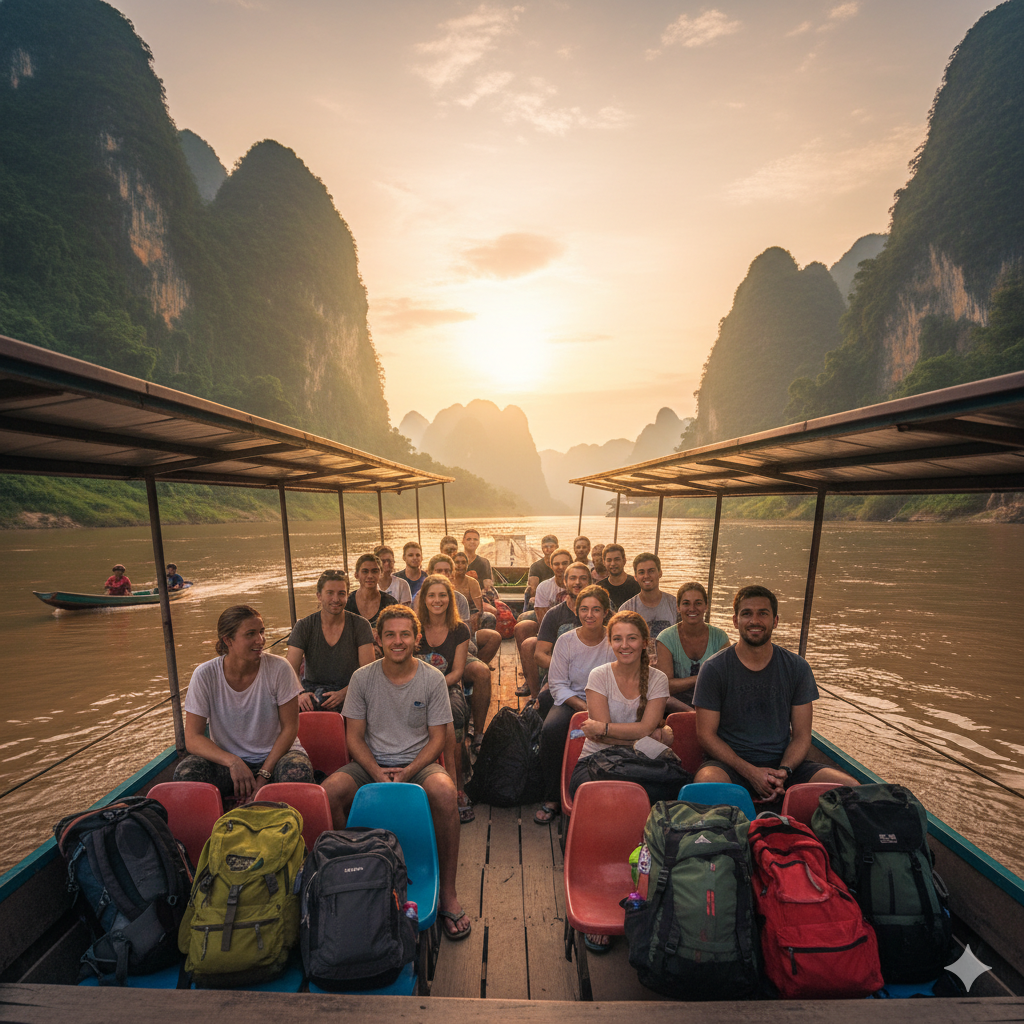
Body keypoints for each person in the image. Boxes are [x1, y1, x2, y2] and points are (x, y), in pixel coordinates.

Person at [322, 605, 471, 941]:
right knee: (328, 793)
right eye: (390, 634)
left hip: (418, 763)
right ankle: (355, 877)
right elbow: (354, 737)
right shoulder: (362, 678)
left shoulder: (432, 678)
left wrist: (407, 772)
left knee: (445, 793)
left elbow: (438, 739)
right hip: (369, 762)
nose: (398, 641)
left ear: (416, 638)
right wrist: (375, 772)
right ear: (378, 639)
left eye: (405, 634)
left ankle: (447, 893)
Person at [693, 585, 858, 803]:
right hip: (731, 766)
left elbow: (801, 735)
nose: (754, 621)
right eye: (747, 614)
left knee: (852, 789)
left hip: (784, 766)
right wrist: (751, 772)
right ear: (735, 621)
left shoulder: (797, 668)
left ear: (775, 621)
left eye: (763, 613)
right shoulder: (714, 669)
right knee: (706, 785)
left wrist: (784, 771)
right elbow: (706, 735)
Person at [568, 611, 672, 952]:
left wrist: (609, 731)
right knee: (608, 797)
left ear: (644, 643)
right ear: (610, 642)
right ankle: (602, 880)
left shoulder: (656, 680)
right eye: (618, 639)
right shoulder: (599, 675)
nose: (624, 645)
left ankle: (649, 879)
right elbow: (639, 731)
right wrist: (647, 735)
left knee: (665, 794)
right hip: (596, 763)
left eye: (631, 638)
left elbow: (607, 729)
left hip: (638, 763)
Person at [174, 605, 313, 799]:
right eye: (250, 634)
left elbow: (290, 728)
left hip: (277, 757)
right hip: (228, 762)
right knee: (186, 774)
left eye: (261, 632)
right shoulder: (205, 675)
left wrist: (264, 774)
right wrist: (232, 762)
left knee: (298, 773)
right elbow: (193, 738)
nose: (260, 640)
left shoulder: (279, 668)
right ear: (228, 640)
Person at [534, 585, 614, 825]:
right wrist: (583, 707)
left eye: (596, 609)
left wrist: (600, 709)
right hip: (571, 699)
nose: (590, 615)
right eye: (584, 609)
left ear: (606, 612)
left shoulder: (614, 640)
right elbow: (557, 684)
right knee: (553, 730)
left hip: (609, 702)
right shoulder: (566, 641)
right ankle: (552, 797)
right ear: (577, 611)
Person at [415, 574, 476, 823]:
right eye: (432, 595)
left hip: (445, 685)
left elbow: (458, 672)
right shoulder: (414, 625)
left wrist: (434, 687)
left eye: (442, 595)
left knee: (455, 714)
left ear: (449, 599)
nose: (437, 600)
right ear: (424, 599)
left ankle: (458, 784)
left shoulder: (459, 629)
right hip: (414, 686)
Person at [427, 555, 498, 741]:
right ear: (429, 573)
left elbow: (465, 633)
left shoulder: (459, 599)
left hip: (456, 649)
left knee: (482, 671)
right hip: (425, 655)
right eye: (438, 571)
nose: (443, 574)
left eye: (446, 571)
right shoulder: (420, 598)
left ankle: (479, 733)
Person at [287, 569, 374, 712]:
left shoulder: (360, 625)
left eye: (341, 594)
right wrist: (300, 693)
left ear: (347, 596)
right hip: (311, 689)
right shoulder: (304, 626)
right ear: (319, 596)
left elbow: (368, 672)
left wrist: (345, 693)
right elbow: (289, 669)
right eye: (330, 593)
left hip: (351, 688)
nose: (336, 599)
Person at [519, 560, 591, 702]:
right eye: (573, 578)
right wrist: (568, 670)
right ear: (565, 582)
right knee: (547, 714)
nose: (578, 582)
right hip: (562, 675)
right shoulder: (554, 614)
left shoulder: (601, 611)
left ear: (590, 582)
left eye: (583, 578)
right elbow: (540, 654)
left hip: (597, 675)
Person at [655, 582, 730, 713]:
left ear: (706, 606)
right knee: (661, 697)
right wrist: (702, 677)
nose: (692, 608)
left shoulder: (720, 637)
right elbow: (666, 686)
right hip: (676, 704)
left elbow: (726, 680)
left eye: (698, 603)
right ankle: (693, 715)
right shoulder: (666, 638)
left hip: (711, 702)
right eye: (686, 603)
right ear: (678, 607)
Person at [619, 552, 678, 669]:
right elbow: (621, 645)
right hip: (637, 668)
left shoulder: (675, 605)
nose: (646, 576)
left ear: (660, 573)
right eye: (641, 572)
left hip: (671, 667)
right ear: (635, 577)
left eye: (651, 571)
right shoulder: (626, 609)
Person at [346, 553, 398, 632]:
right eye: (365, 571)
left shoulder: (390, 603)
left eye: (374, 571)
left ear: (380, 574)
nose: (370, 576)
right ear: (356, 575)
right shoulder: (347, 602)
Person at [596, 544, 640, 610]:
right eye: (609, 560)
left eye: (617, 559)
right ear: (604, 562)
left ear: (624, 561)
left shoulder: (637, 585)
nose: (613, 563)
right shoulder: (599, 588)